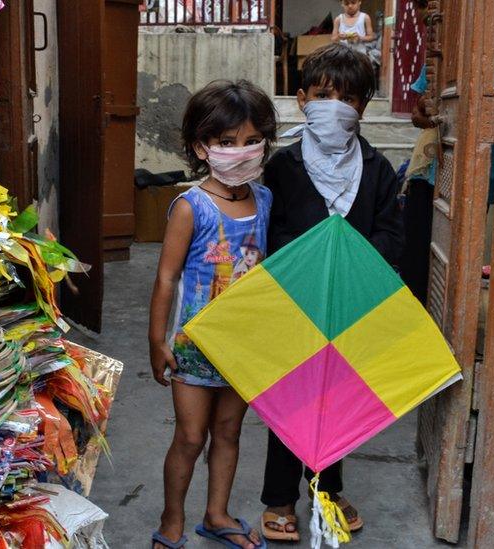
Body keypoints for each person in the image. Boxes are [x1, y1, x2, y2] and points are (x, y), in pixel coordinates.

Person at [259, 43, 404, 542]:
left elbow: (390, 233)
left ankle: (326, 491)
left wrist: (355, 259)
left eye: (348, 97)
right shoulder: (283, 167)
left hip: (351, 305)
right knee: (290, 400)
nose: (335, 105)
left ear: (363, 106)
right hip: (292, 304)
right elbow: (268, 231)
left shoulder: (378, 169)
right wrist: (302, 262)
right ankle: (279, 498)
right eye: (323, 95)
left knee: (337, 400)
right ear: (302, 100)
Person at [148, 79, 276, 549]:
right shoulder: (190, 206)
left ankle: (216, 513)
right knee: (189, 437)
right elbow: (166, 278)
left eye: (250, 141)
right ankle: (171, 521)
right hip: (193, 348)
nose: (239, 152)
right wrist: (157, 340)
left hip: (244, 347)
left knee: (229, 432)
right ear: (202, 147)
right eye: (226, 143)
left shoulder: (263, 201)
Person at [400, 0, 438, 305]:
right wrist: (428, 113)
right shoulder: (437, 61)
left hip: (455, 168)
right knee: (417, 246)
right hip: (428, 169)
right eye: (423, 5)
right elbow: (417, 113)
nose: (428, 12)